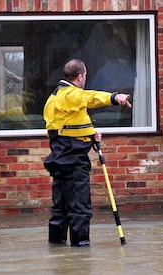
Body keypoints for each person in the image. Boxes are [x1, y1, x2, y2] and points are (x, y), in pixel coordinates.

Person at [43, 59, 132, 247]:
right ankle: (81, 250)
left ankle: (56, 246)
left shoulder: (53, 99)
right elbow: (90, 98)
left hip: (60, 159)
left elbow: (63, 128)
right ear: (80, 76)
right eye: (85, 76)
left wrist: (89, 134)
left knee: (60, 208)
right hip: (74, 161)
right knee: (80, 209)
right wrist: (115, 97)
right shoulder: (71, 95)